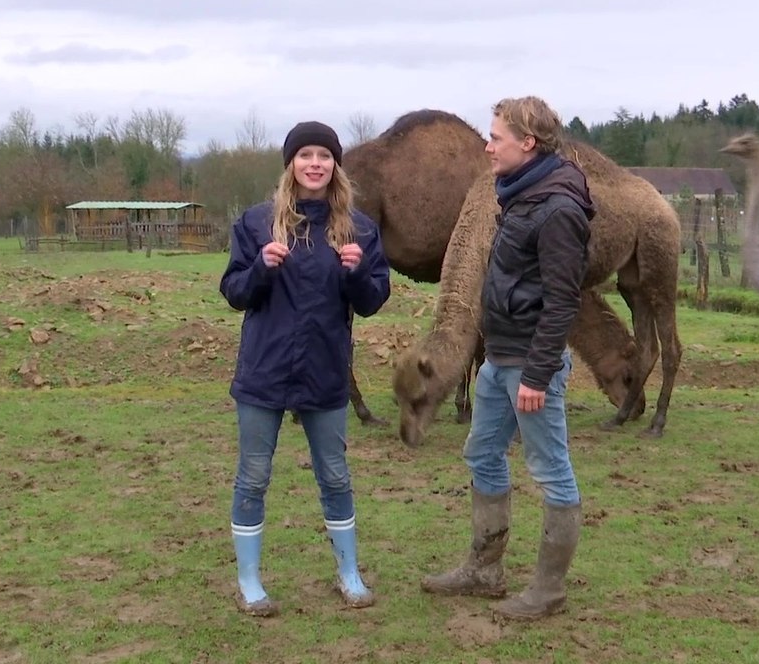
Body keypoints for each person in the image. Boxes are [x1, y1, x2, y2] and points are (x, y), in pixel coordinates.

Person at [421, 96, 594, 620]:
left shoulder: (559, 208)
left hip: (529, 367)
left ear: (529, 144)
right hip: (500, 360)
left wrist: (539, 374)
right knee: (481, 454)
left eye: (496, 136)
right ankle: (484, 569)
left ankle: (548, 590)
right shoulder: (521, 195)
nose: (487, 144)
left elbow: (564, 299)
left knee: (551, 471)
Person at [219, 120, 391, 615]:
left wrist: (357, 272)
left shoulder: (359, 229)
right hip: (264, 372)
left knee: (335, 477)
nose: (314, 163)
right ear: (290, 164)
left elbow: (372, 301)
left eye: (324, 155)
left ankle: (349, 573)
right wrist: (259, 269)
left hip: (325, 372)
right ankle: (250, 581)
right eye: (305, 155)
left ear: (335, 165)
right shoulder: (255, 223)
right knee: (253, 477)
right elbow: (234, 294)